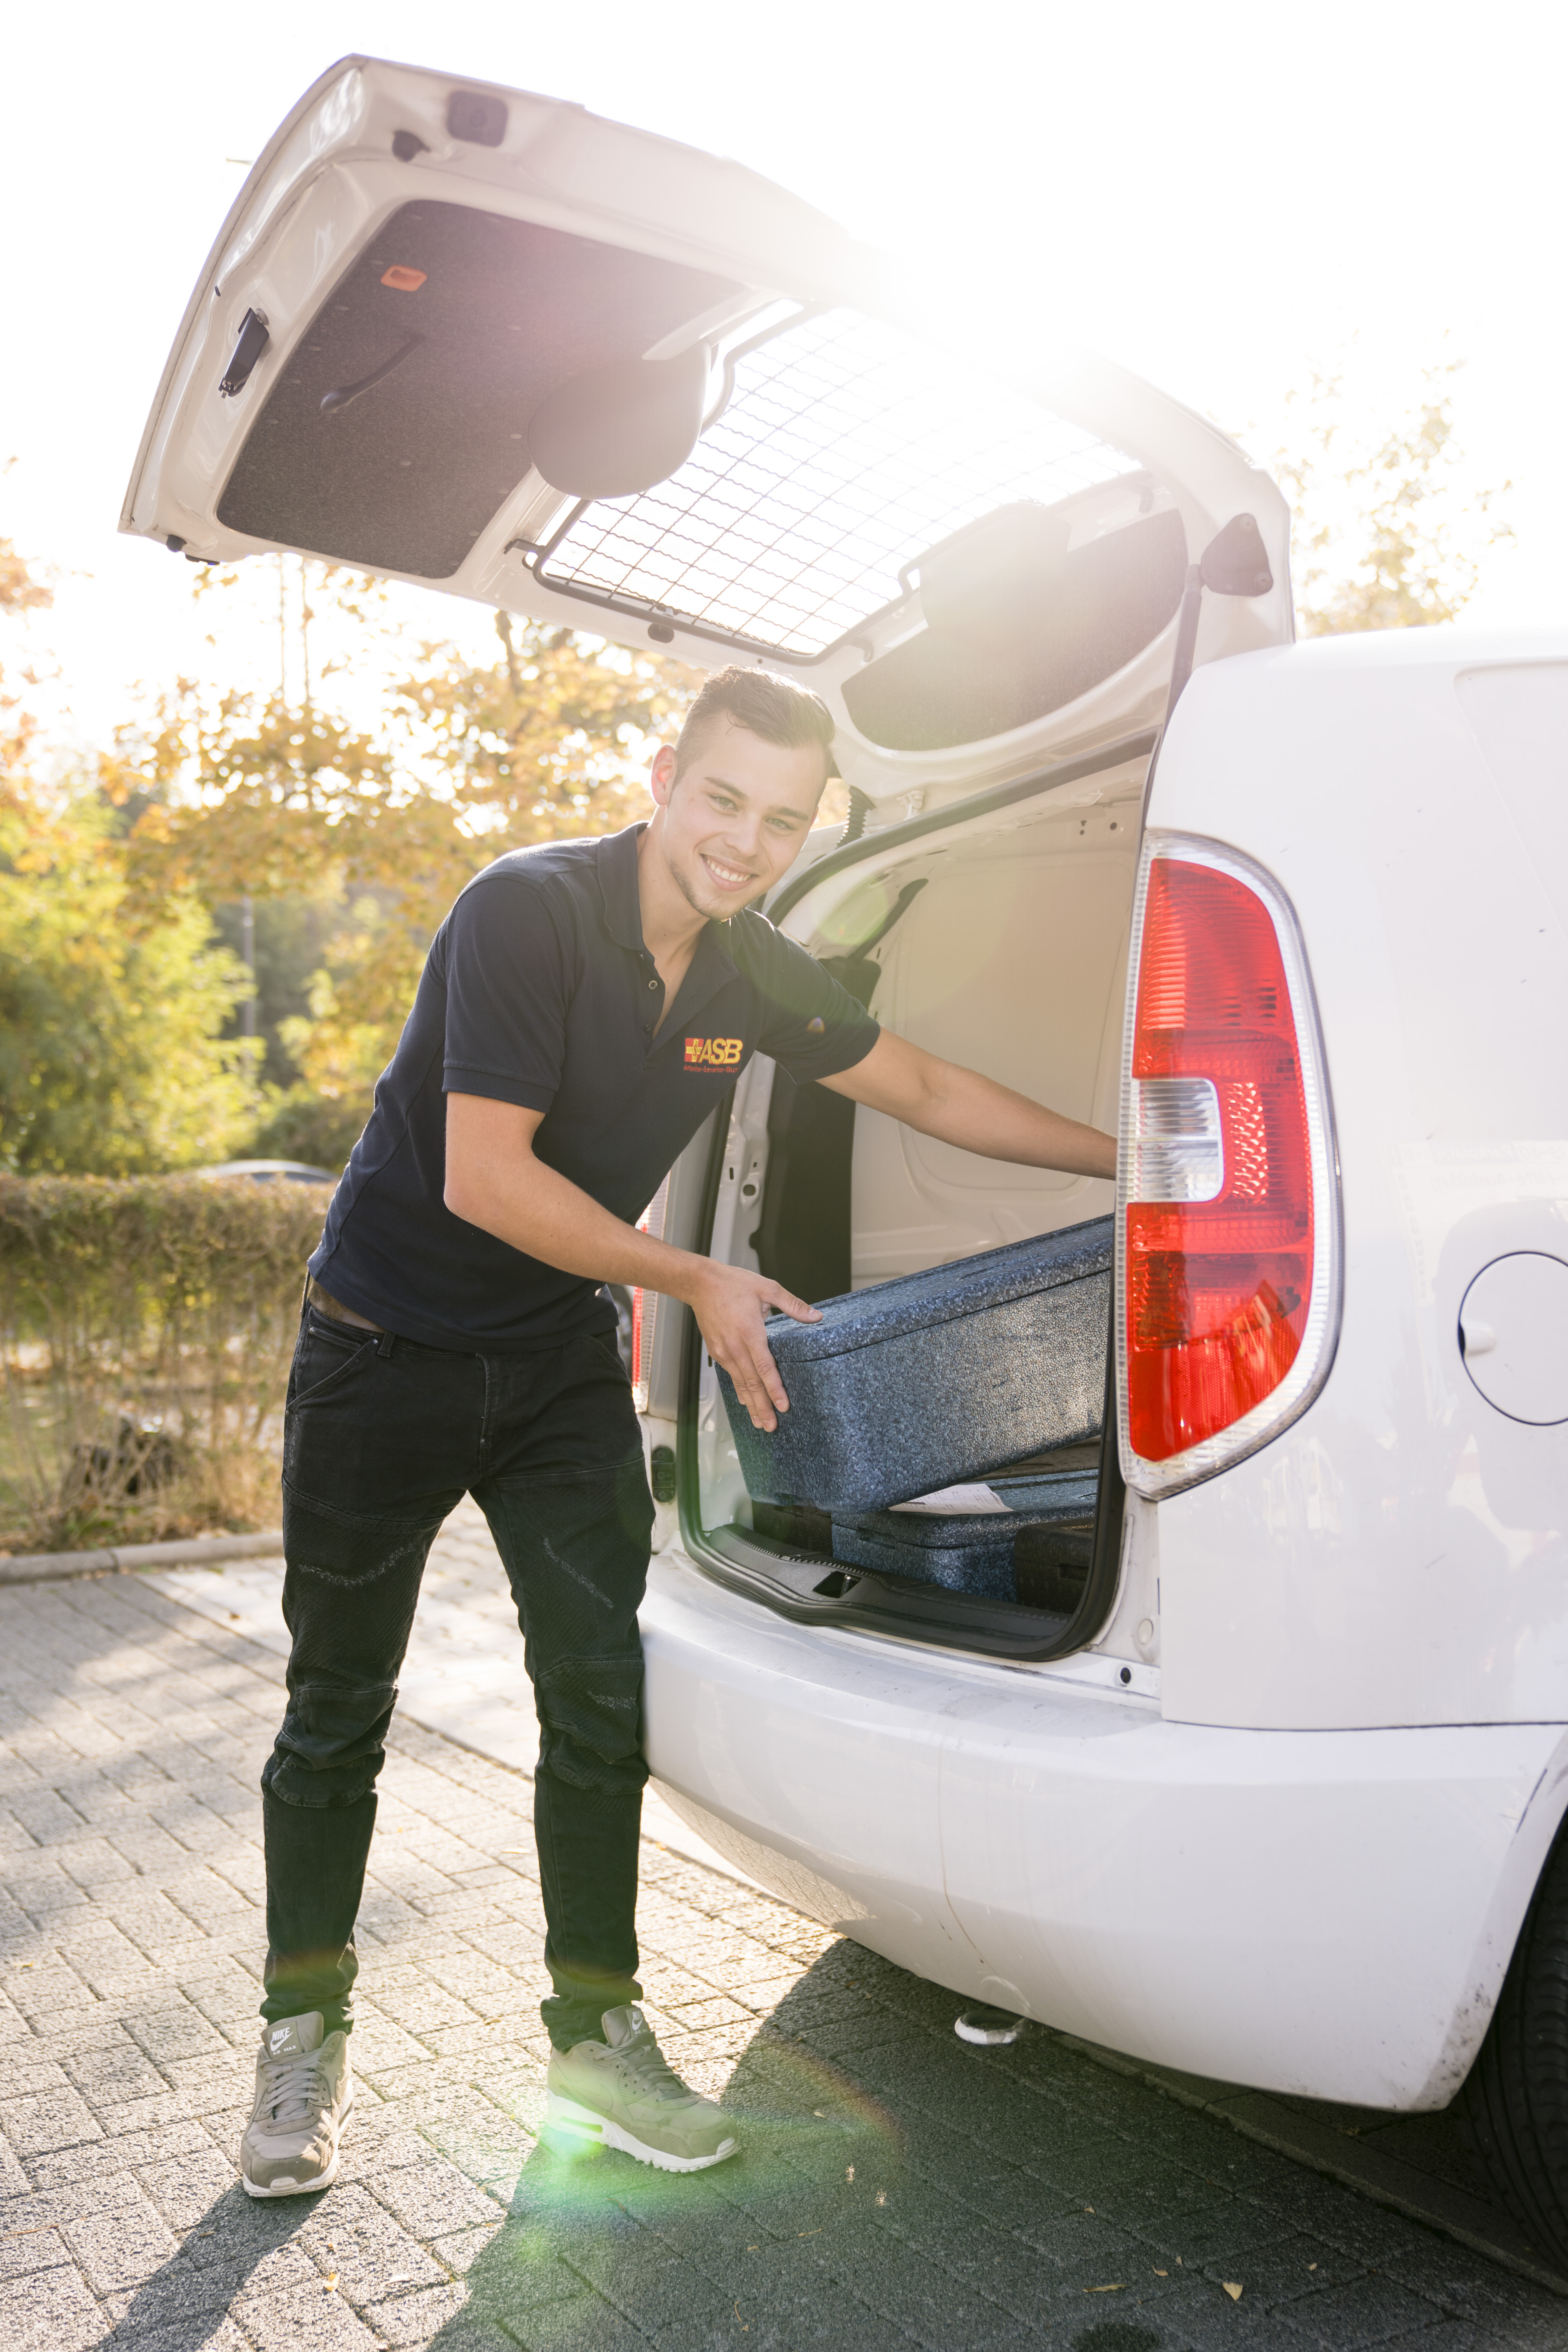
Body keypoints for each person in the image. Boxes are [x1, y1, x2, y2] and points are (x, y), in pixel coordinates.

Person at [240, 665, 1117, 2196]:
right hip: (381, 1362)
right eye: (723, 800)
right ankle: (299, 2035)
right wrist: (694, 1274)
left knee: (597, 1701)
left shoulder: (749, 968)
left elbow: (918, 1083)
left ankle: (597, 2042)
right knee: (337, 1717)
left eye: (782, 821)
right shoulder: (524, 913)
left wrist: (1135, 1164)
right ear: (663, 775)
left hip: (553, 1374)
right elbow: (485, 1180)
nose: (745, 841)